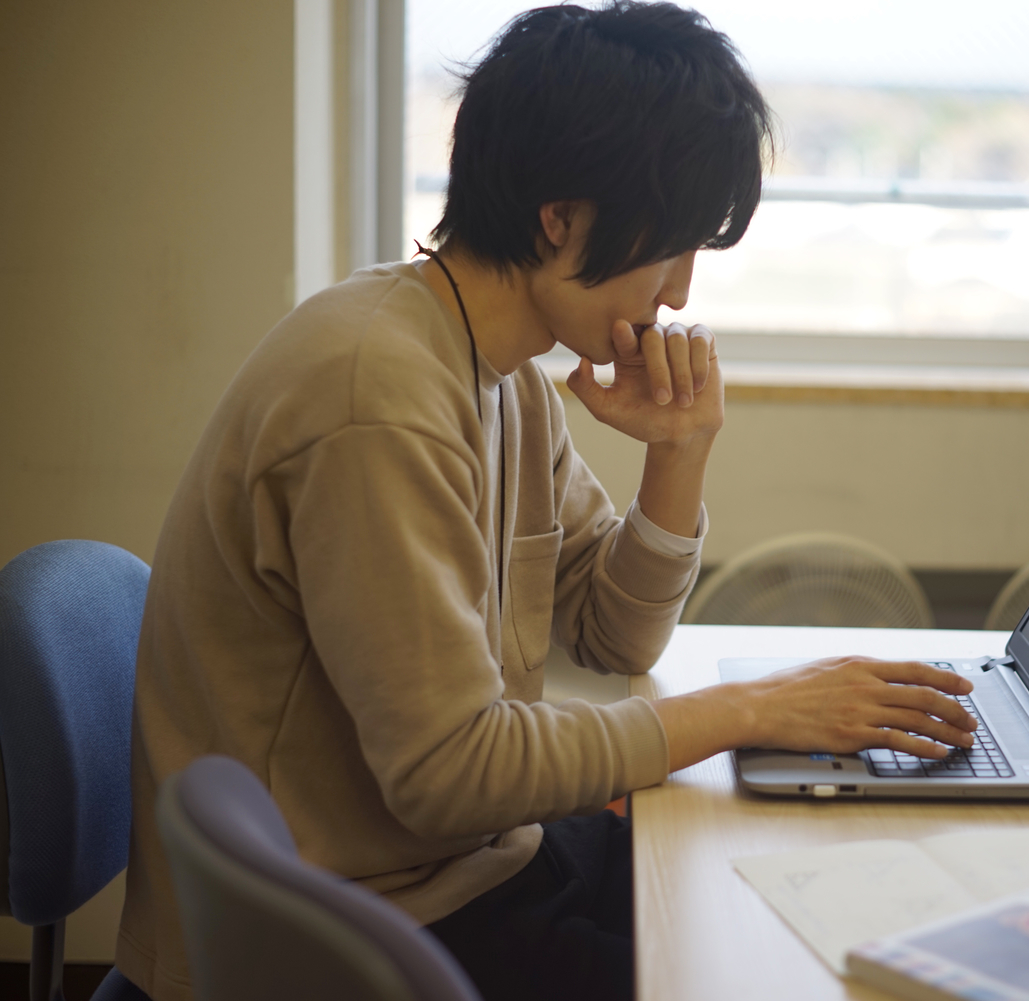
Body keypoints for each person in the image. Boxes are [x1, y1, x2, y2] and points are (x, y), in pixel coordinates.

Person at [116, 3, 977, 999]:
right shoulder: (375, 392)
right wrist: (750, 708)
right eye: (672, 249)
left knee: (789, 907)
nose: (681, 294)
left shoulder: (506, 377)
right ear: (558, 219)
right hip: (357, 926)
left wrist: (680, 454)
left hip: (466, 866)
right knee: (759, 967)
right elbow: (450, 769)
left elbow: (613, 636)